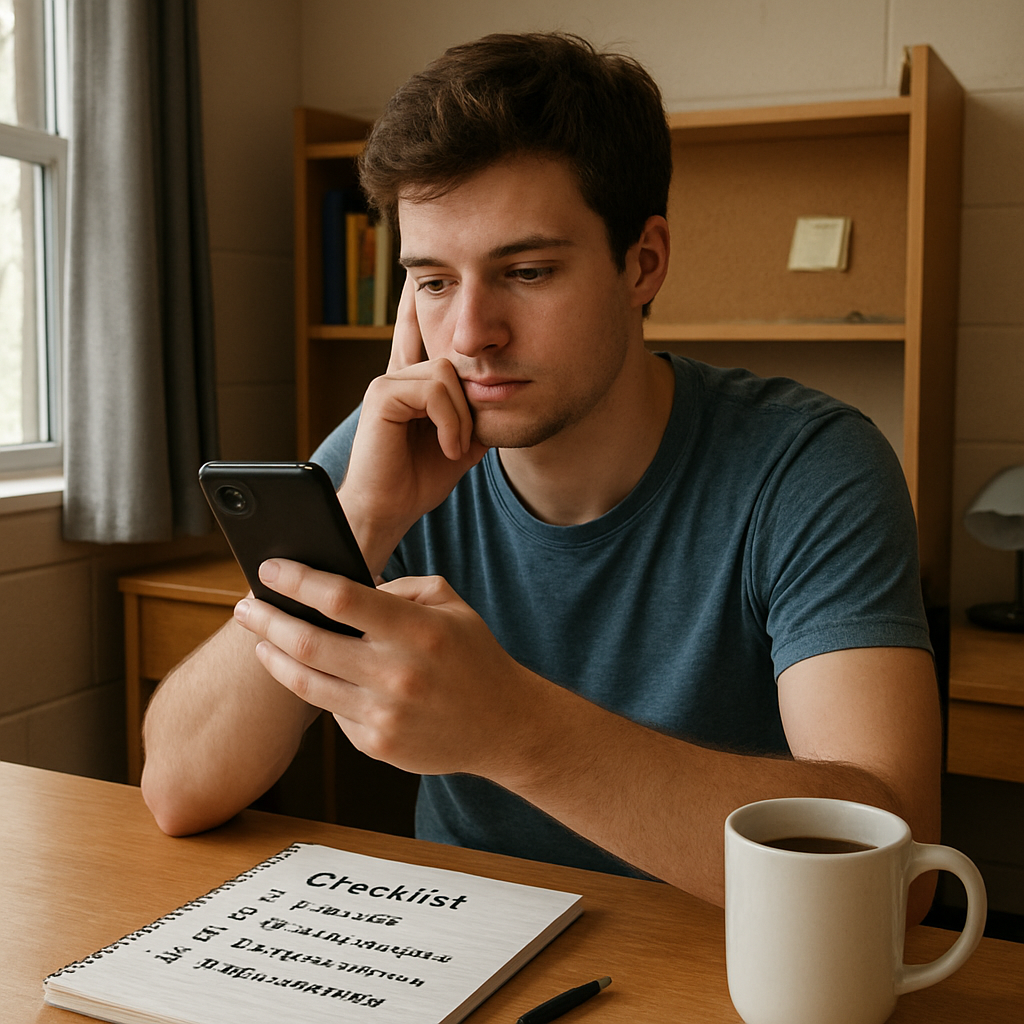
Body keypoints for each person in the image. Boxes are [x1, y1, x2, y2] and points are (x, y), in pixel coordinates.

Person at [141, 32, 941, 920]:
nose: (473, 333)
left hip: (722, 968)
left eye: (525, 271)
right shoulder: (387, 448)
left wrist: (515, 730)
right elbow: (177, 789)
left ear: (642, 264)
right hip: (455, 959)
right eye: (434, 283)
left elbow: (889, 881)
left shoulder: (809, 465)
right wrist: (359, 521)